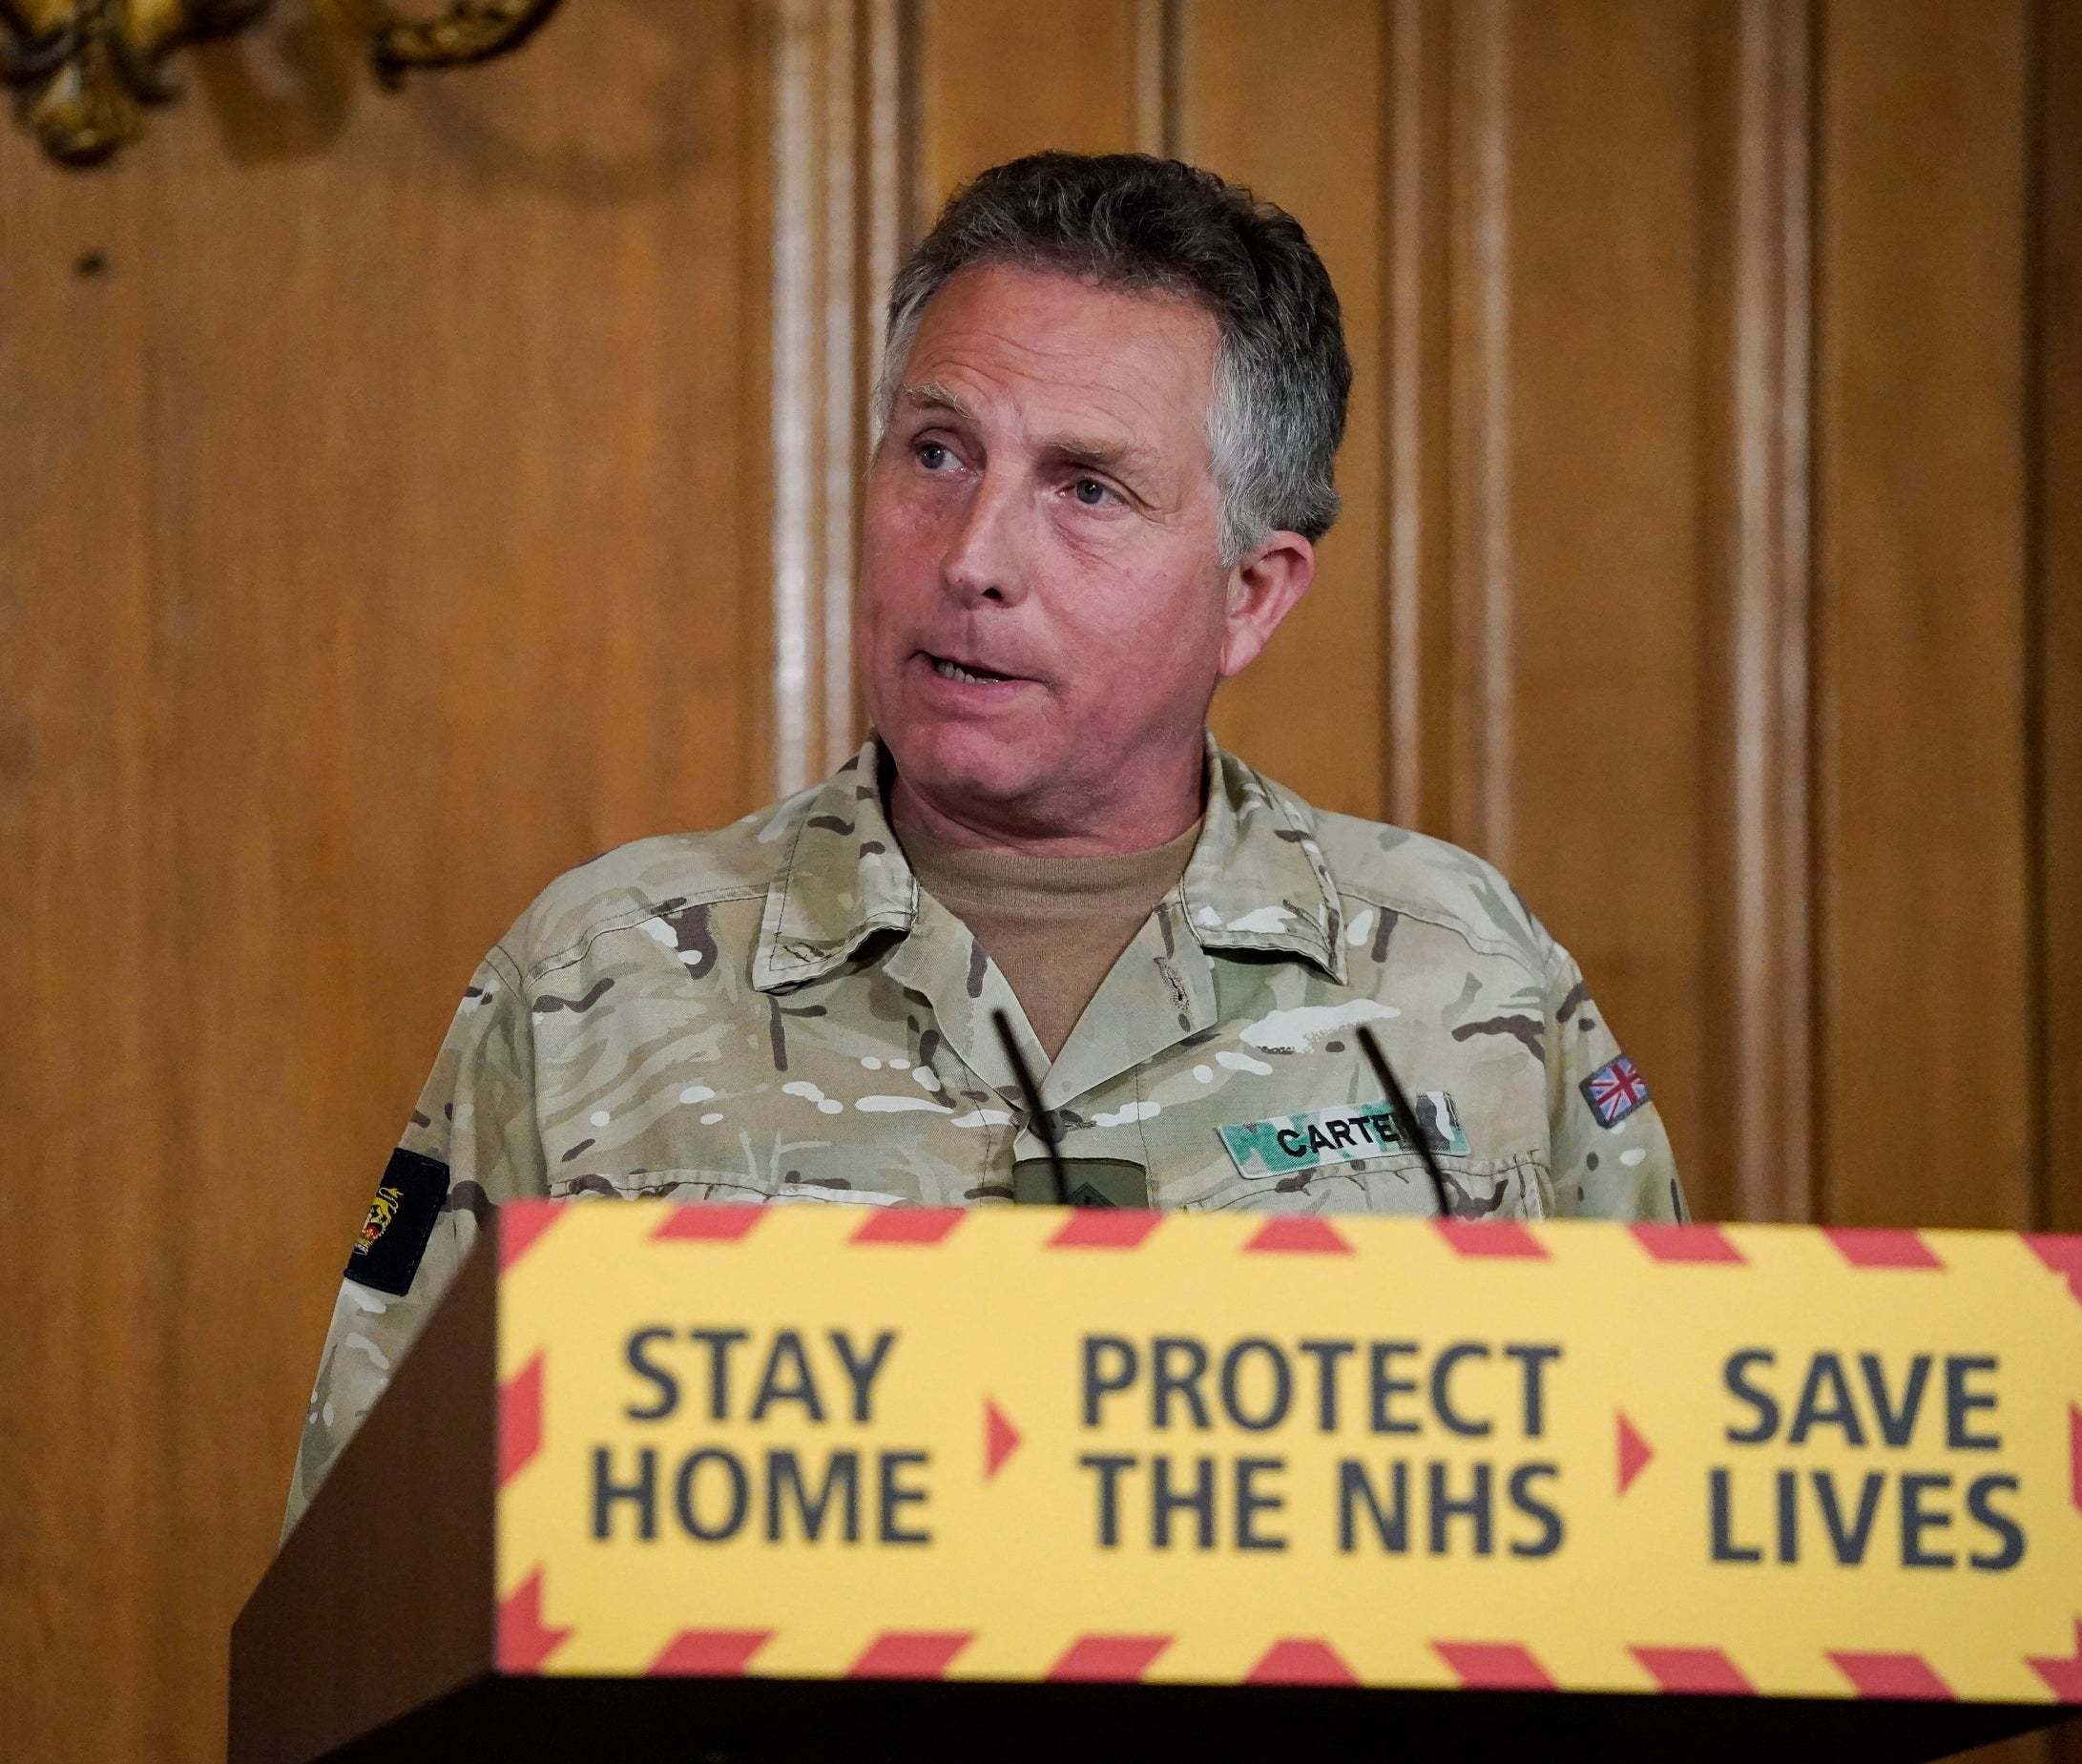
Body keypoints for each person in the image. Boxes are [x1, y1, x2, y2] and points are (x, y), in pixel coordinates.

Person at [281, 152, 1684, 1534]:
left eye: (1086, 488)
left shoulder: (1463, 982)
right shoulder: (598, 979)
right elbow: (369, 1584)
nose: (970, 557)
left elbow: (1662, 1540)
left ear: (1250, 595)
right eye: (937, 453)